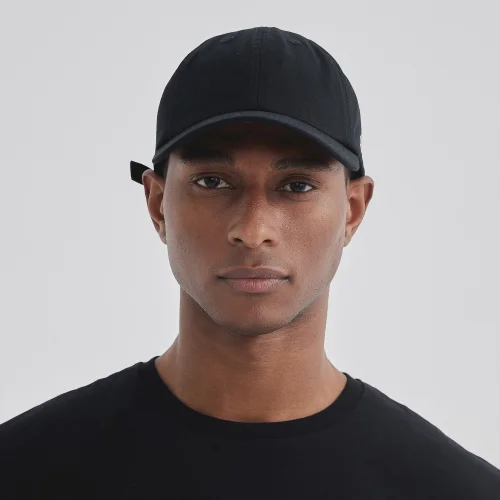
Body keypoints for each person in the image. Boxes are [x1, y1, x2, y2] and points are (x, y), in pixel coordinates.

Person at [1, 26, 499, 499]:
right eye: (213, 181)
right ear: (157, 204)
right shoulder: (24, 470)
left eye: (296, 185)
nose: (253, 229)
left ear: (352, 210)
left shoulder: (455, 491)